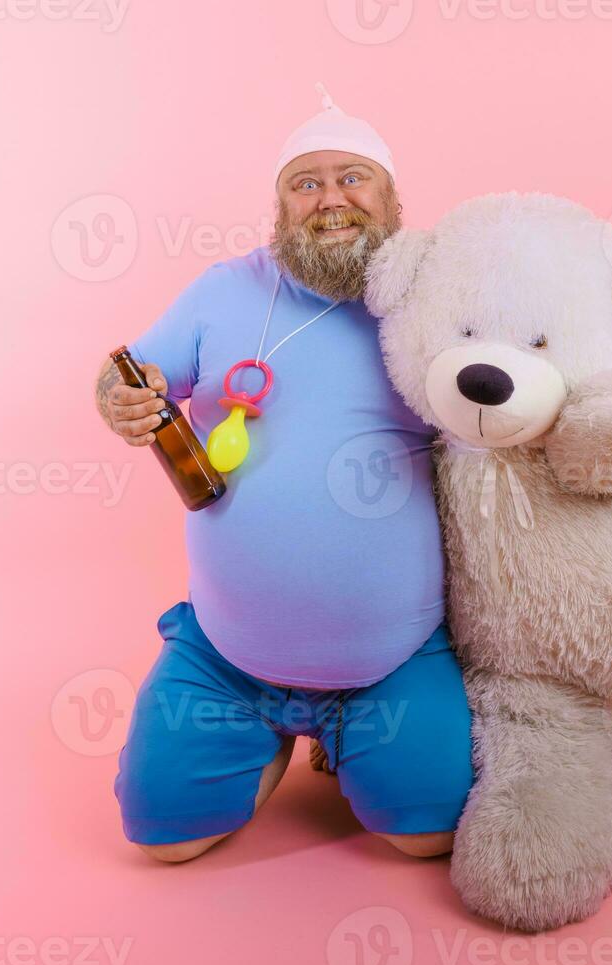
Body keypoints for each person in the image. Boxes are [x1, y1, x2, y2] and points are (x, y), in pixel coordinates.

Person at [94, 85, 472, 863]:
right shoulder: (222, 289)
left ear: (392, 196)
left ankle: (344, 727)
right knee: (163, 841)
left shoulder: (435, 296)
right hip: (230, 655)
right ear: (280, 204)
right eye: (306, 183)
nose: (330, 199)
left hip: (391, 657)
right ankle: (267, 731)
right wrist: (120, 402)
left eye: (352, 178)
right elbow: (128, 376)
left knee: (428, 835)